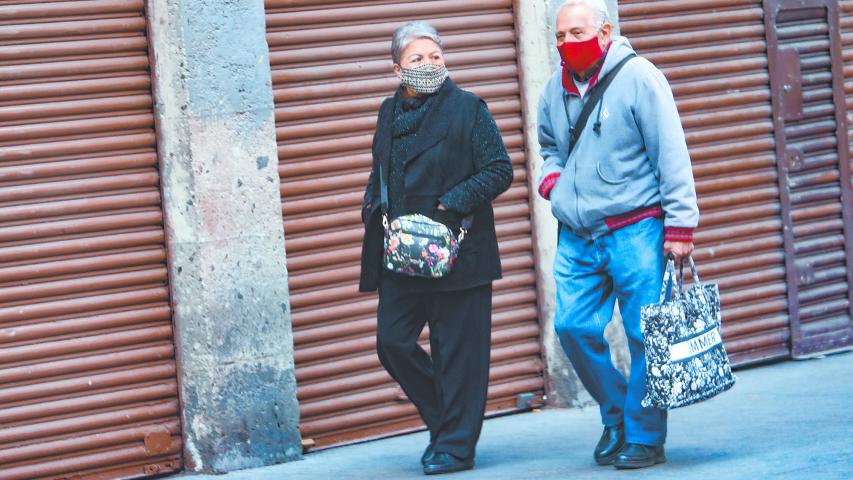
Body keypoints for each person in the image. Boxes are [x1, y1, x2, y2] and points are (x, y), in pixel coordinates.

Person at [537, 0, 699, 470]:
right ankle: (617, 416)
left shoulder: (640, 77)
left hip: (637, 229)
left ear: (605, 31)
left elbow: (671, 151)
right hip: (577, 234)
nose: (568, 42)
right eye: (561, 35)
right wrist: (554, 182)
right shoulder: (554, 88)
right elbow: (549, 146)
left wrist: (681, 225)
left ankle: (645, 436)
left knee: (645, 335)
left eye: (577, 32)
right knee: (571, 326)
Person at [359, 21, 513, 475]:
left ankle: (455, 447)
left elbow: (499, 170)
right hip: (404, 252)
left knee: (458, 354)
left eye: (435, 57)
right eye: (417, 59)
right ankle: (446, 422)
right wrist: (373, 207)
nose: (429, 65)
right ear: (396, 69)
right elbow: (381, 170)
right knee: (392, 341)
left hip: (456, 248)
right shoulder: (389, 112)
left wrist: (451, 203)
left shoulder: (468, 109)